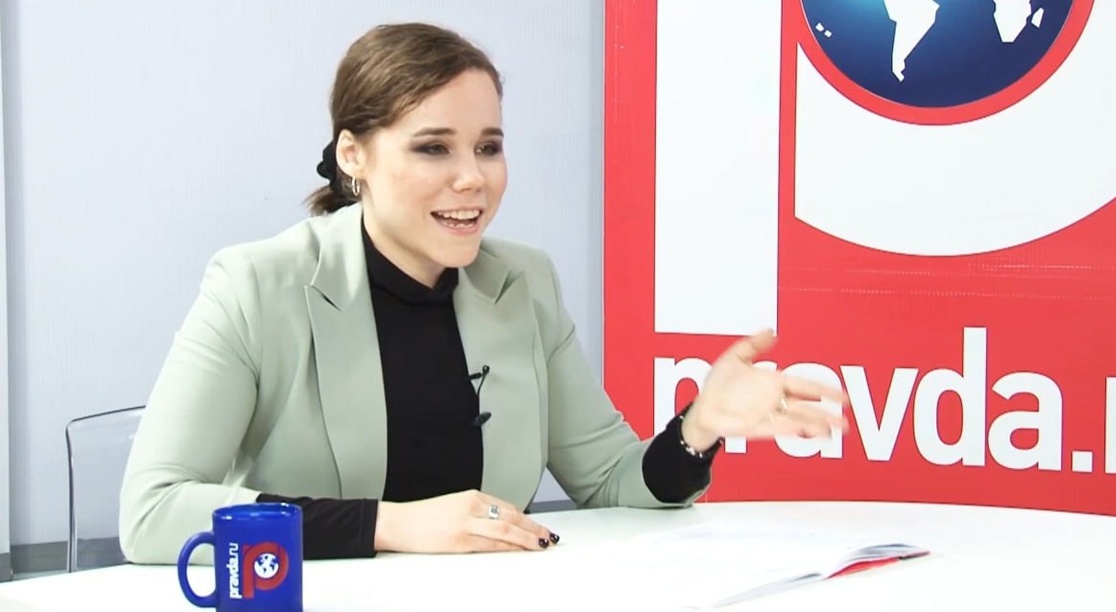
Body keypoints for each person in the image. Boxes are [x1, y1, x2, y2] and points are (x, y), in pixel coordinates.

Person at [118, 22, 848, 564]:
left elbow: (610, 482)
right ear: (353, 155)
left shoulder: (524, 283)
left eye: (489, 147)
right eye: (433, 147)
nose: (473, 178)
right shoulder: (256, 285)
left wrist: (700, 426)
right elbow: (153, 512)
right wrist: (393, 525)